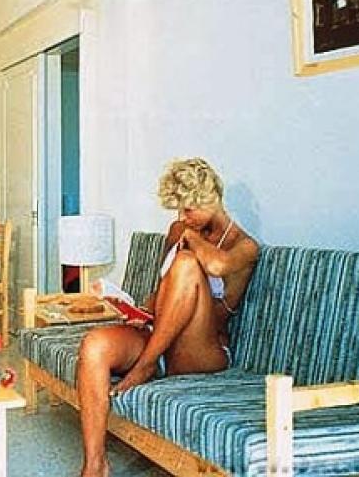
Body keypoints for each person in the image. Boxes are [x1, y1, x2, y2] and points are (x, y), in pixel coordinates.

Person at [76, 157, 259, 477]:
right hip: (159, 334)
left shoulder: (243, 246)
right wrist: (139, 310)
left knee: (187, 264)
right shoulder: (179, 230)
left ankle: (146, 365)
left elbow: (215, 266)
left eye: (188, 210)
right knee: (95, 345)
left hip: (201, 351)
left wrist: (193, 240)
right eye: (178, 211)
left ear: (211, 201)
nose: (181, 218)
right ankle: (95, 465)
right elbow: (164, 287)